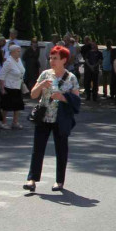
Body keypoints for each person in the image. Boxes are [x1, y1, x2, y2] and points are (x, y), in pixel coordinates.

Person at [24, 45, 81, 192]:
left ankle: (59, 181)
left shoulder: (71, 78)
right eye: (51, 58)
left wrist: (63, 97)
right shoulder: (45, 74)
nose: (52, 61)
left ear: (64, 60)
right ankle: (32, 179)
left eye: (55, 58)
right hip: (44, 117)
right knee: (38, 149)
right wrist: (41, 85)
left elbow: (76, 100)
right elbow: (33, 95)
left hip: (61, 118)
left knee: (61, 150)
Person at [0, 43, 26, 129]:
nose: (19, 53)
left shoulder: (19, 60)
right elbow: (1, 76)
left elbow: (21, 72)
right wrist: (2, 88)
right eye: (18, 51)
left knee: (17, 106)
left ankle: (15, 122)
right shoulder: (8, 62)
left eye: (20, 51)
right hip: (9, 87)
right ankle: (3, 123)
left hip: (17, 86)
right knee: (6, 106)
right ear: (12, 52)